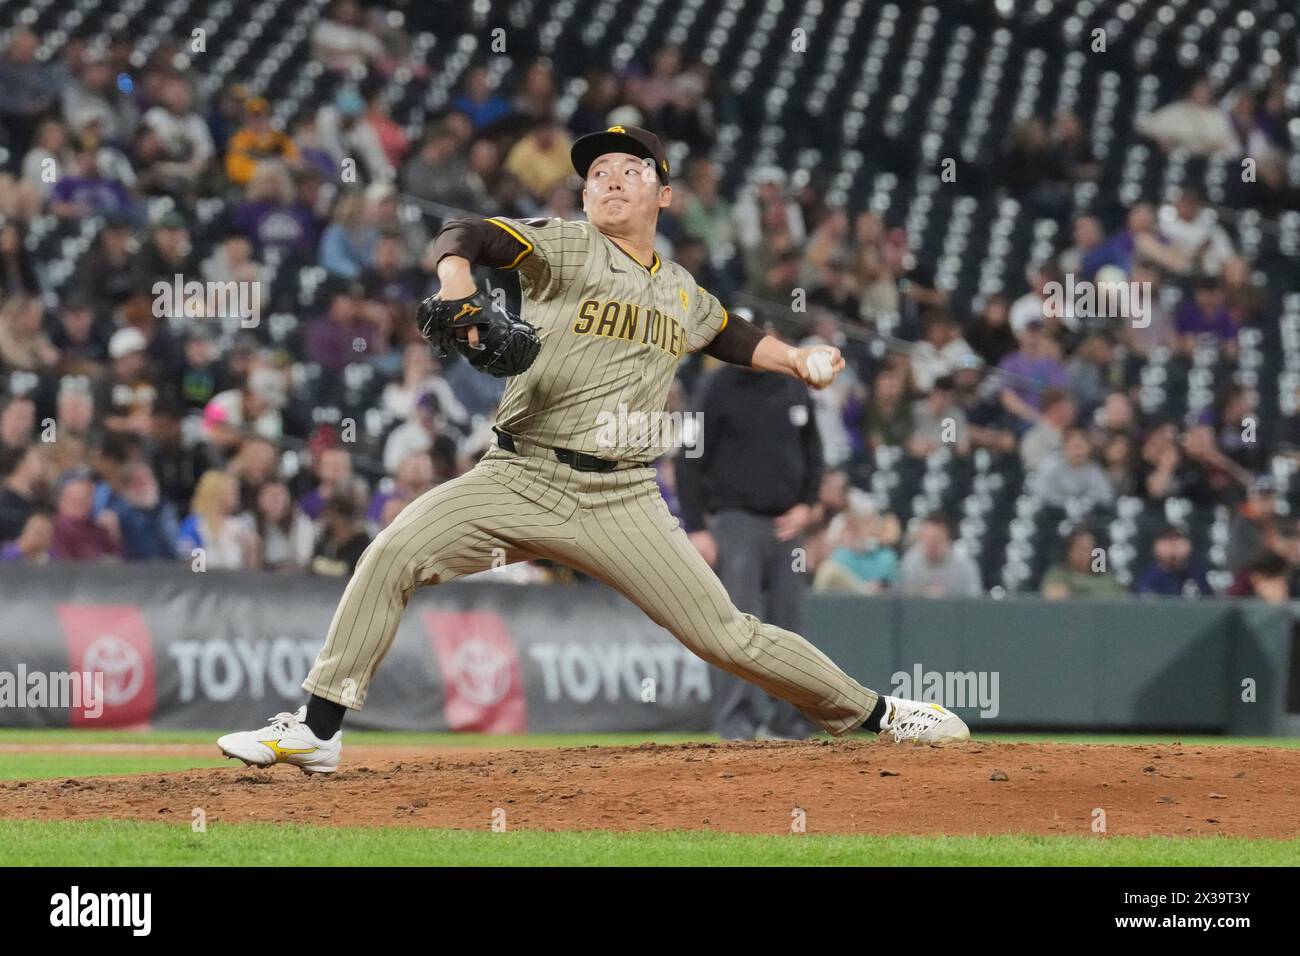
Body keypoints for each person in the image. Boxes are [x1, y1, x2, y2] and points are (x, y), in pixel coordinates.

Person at [217, 125, 969, 773]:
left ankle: (876, 716)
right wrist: (456, 283)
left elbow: (728, 333)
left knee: (728, 636)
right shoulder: (568, 249)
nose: (609, 181)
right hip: (517, 474)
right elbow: (467, 235)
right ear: (581, 198)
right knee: (389, 554)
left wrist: (798, 361)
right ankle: (317, 730)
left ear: (663, 195)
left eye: (629, 172)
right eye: (597, 175)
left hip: (622, 497)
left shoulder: (680, 289)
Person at [676, 335, 825, 741]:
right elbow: (688, 458)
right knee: (735, 626)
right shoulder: (716, 387)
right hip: (735, 521)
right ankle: (735, 722)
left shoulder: (793, 386)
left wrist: (809, 506)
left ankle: (789, 722)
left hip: (787, 525)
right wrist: (698, 527)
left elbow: (814, 451)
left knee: (789, 625)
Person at [898, 512, 982, 598]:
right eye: (925, 538)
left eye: (936, 539)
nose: (930, 544)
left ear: (948, 540)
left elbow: (974, 601)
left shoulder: (964, 565)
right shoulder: (911, 562)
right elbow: (904, 598)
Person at [1041, 528, 1124, 599]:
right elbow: (1052, 594)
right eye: (1080, 548)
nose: (1084, 553)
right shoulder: (1057, 574)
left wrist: (1073, 591)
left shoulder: (1106, 579)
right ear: (1069, 550)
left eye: (1088, 548)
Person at [1132, 526, 1212, 598]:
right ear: (1155, 546)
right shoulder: (1145, 577)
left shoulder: (1200, 575)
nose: (1173, 545)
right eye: (1167, 539)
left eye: (1178, 538)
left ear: (1190, 544)